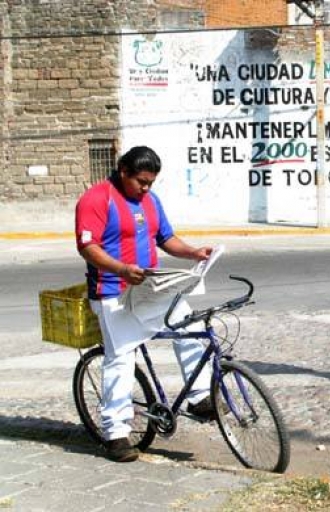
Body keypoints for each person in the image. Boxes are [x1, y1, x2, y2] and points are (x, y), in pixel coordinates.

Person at [75, 146, 217, 463]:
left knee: (189, 327)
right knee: (121, 359)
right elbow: (87, 247)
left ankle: (199, 396)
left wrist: (193, 253)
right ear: (123, 171)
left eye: (151, 182)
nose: (146, 188)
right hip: (114, 292)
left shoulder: (150, 201)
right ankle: (116, 434)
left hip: (151, 287)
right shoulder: (97, 198)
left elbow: (166, 238)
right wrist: (121, 269)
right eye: (141, 181)